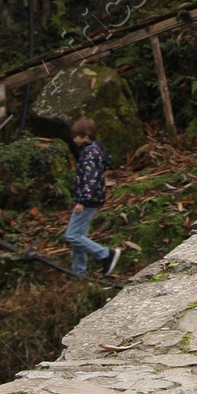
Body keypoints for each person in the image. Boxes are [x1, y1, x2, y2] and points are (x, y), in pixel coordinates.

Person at [65, 115, 122, 277]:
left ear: (86, 135)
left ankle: (105, 254)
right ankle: (79, 272)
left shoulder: (90, 154)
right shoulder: (95, 150)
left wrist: (82, 201)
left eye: (77, 136)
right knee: (80, 237)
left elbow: (89, 179)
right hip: (93, 199)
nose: (74, 139)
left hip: (88, 200)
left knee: (72, 235)